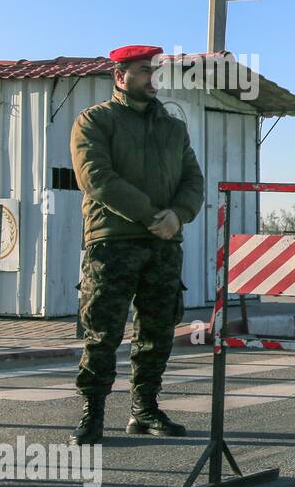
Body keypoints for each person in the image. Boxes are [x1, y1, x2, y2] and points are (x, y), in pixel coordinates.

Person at [68, 45, 205, 445]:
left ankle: (144, 410)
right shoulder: (95, 121)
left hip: (164, 243)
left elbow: (193, 181)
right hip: (113, 242)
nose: (153, 78)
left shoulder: (173, 127)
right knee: (103, 331)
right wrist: (150, 216)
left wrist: (177, 215)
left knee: (158, 330)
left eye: (156, 70)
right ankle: (92, 413)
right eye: (145, 70)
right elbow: (96, 177)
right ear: (120, 76)